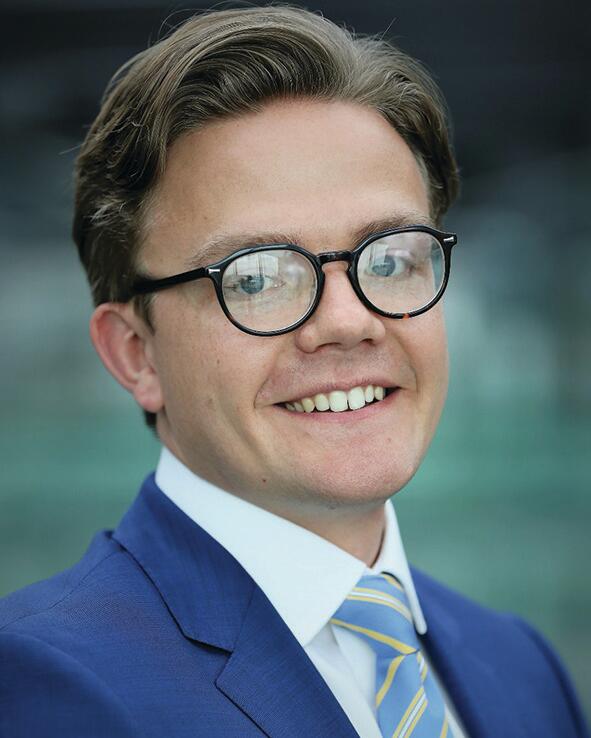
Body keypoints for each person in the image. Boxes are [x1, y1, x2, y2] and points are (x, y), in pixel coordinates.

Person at [0, 6, 587, 738]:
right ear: (135, 353)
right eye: (256, 277)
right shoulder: (42, 687)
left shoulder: (522, 670)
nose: (347, 320)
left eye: (390, 258)